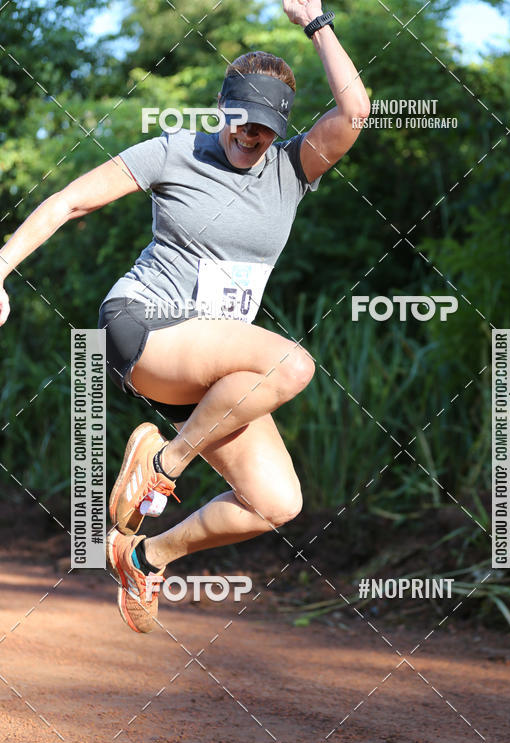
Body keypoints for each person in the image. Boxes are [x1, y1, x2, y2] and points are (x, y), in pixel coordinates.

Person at [0, 0, 370, 634]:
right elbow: (68, 203)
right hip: (143, 325)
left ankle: (144, 553)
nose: (249, 136)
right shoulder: (173, 152)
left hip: (207, 376)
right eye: (241, 121)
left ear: (280, 128)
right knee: (292, 363)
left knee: (276, 502)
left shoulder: (292, 170)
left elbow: (355, 111)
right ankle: (163, 467)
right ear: (223, 108)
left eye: (263, 128)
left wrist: (317, 22)